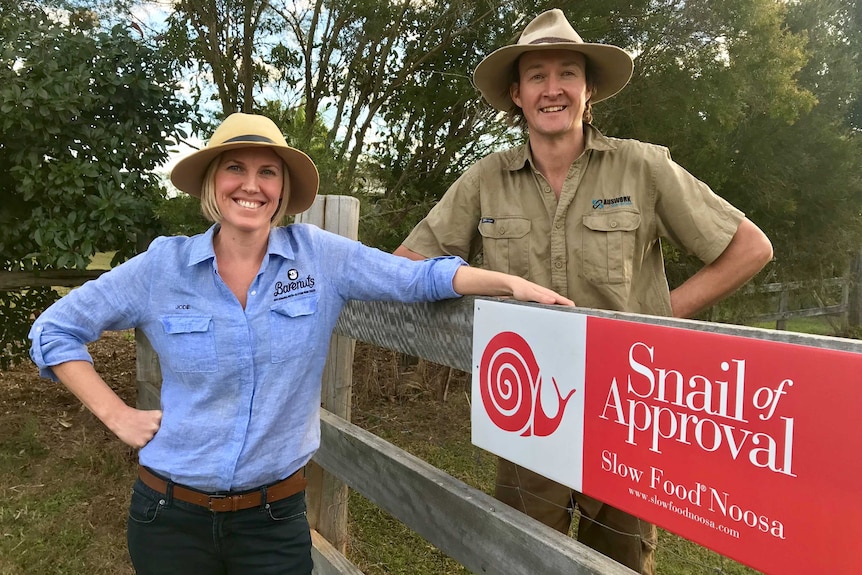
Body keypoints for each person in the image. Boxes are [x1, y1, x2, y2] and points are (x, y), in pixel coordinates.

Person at [28, 112, 573, 575]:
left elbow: (416, 278)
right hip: (170, 517)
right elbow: (54, 331)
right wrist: (116, 414)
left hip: (274, 519)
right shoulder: (161, 267)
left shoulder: (319, 257)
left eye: (268, 173)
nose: (252, 184)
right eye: (235, 169)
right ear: (211, 183)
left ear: (283, 191)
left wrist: (506, 281)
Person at [393, 9, 774, 575]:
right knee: (520, 558)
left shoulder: (642, 169)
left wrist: (659, 319)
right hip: (527, 411)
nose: (553, 89)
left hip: (628, 410)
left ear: (588, 89)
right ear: (517, 95)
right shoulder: (484, 180)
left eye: (567, 73)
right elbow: (407, 265)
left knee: (618, 561)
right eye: (537, 76)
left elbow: (749, 248)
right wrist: (488, 295)